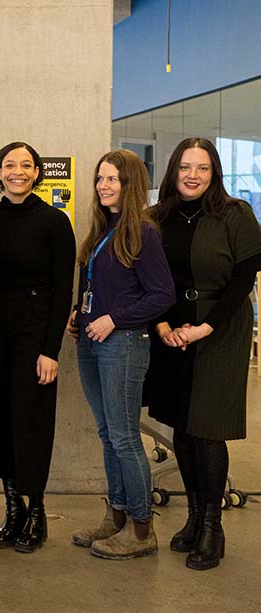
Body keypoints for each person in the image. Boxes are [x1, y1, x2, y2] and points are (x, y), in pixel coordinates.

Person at [144, 137, 261, 571]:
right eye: (185, 167)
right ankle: (193, 517)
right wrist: (164, 327)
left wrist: (205, 327)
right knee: (182, 425)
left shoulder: (234, 214)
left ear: (215, 173)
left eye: (203, 167)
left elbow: (243, 279)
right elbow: (151, 277)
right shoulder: (157, 218)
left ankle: (214, 526)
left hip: (221, 327)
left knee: (207, 427)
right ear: (173, 171)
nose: (193, 175)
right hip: (171, 327)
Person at [67, 150, 175, 559]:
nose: (103, 186)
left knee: (126, 438)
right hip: (91, 341)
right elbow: (98, 283)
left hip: (123, 344)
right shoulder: (101, 231)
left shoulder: (142, 233)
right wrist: (81, 311)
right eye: (100, 179)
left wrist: (114, 318)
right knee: (108, 435)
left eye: (112, 179)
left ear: (129, 185)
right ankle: (116, 517)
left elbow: (162, 295)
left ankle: (142, 530)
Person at [0, 141, 75, 553]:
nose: (18, 171)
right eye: (9, 164)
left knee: (30, 422)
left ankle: (36, 511)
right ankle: (12, 509)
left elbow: (63, 289)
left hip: (34, 334)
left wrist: (51, 350)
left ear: (37, 173)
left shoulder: (54, 222)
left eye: (26, 165)